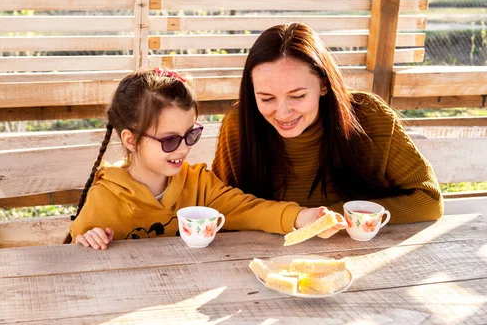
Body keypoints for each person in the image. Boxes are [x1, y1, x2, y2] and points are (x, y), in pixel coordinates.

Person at [66, 67, 346, 249]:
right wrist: (86, 240)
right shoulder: (104, 198)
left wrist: (302, 217)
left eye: (191, 135)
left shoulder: (199, 184)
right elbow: (72, 252)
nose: (183, 149)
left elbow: (248, 209)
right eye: (170, 140)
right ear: (131, 140)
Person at [212, 23, 444, 224]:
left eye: (298, 96)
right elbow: (218, 207)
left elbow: (429, 200)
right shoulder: (239, 124)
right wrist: (294, 218)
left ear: (324, 84)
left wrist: (325, 219)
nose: (282, 112)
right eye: (266, 98)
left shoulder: (370, 116)